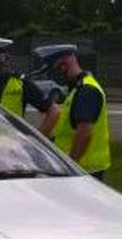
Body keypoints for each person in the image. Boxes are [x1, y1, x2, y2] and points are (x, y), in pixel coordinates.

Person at [34, 44, 111, 180]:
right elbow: (68, 129)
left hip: (83, 171)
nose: (54, 76)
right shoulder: (77, 89)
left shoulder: (86, 90)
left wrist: (69, 166)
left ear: (65, 64)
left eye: (55, 70)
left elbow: (84, 132)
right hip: (82, 168)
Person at [0, 37, 59, 128]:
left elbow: (53, 110)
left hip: (10, 142)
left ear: (6, 59)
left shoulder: (20, 83)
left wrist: (39, 136)